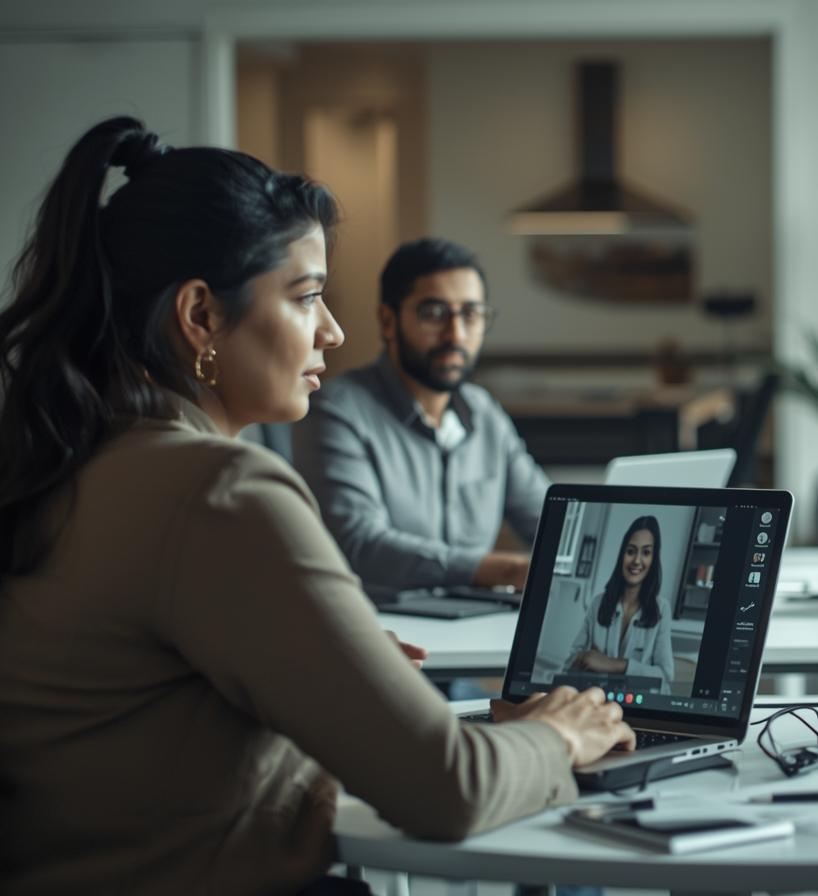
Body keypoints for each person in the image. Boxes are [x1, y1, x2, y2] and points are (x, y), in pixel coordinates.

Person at [0, 117, 633, 893]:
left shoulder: (67, 458)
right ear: (201, 317)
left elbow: (142, 726)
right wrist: (560, 735)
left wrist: (323, 683)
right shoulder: (219, 493)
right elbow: (449, 792)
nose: (331, 332)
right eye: (306, 297)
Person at [292, 237, 548, 593]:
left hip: (476, 623)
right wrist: (501, 570)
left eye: (471, 314)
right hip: (384, 628)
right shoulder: (338, 409)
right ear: (387, 320)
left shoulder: (484, 412)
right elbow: (359, 543)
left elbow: (549, 521)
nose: (455, 334)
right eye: (434, 313)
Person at [566, 516, 675, 691]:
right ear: (622, 555)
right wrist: (586, 658)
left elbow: (665, 675)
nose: (637, 561)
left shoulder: (662, 609)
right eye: (631, 551)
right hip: (597, 700)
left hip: (638, 704)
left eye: (646, 552)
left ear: (653, 559)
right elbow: (570, 661)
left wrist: (614, 665)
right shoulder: (598, 603)